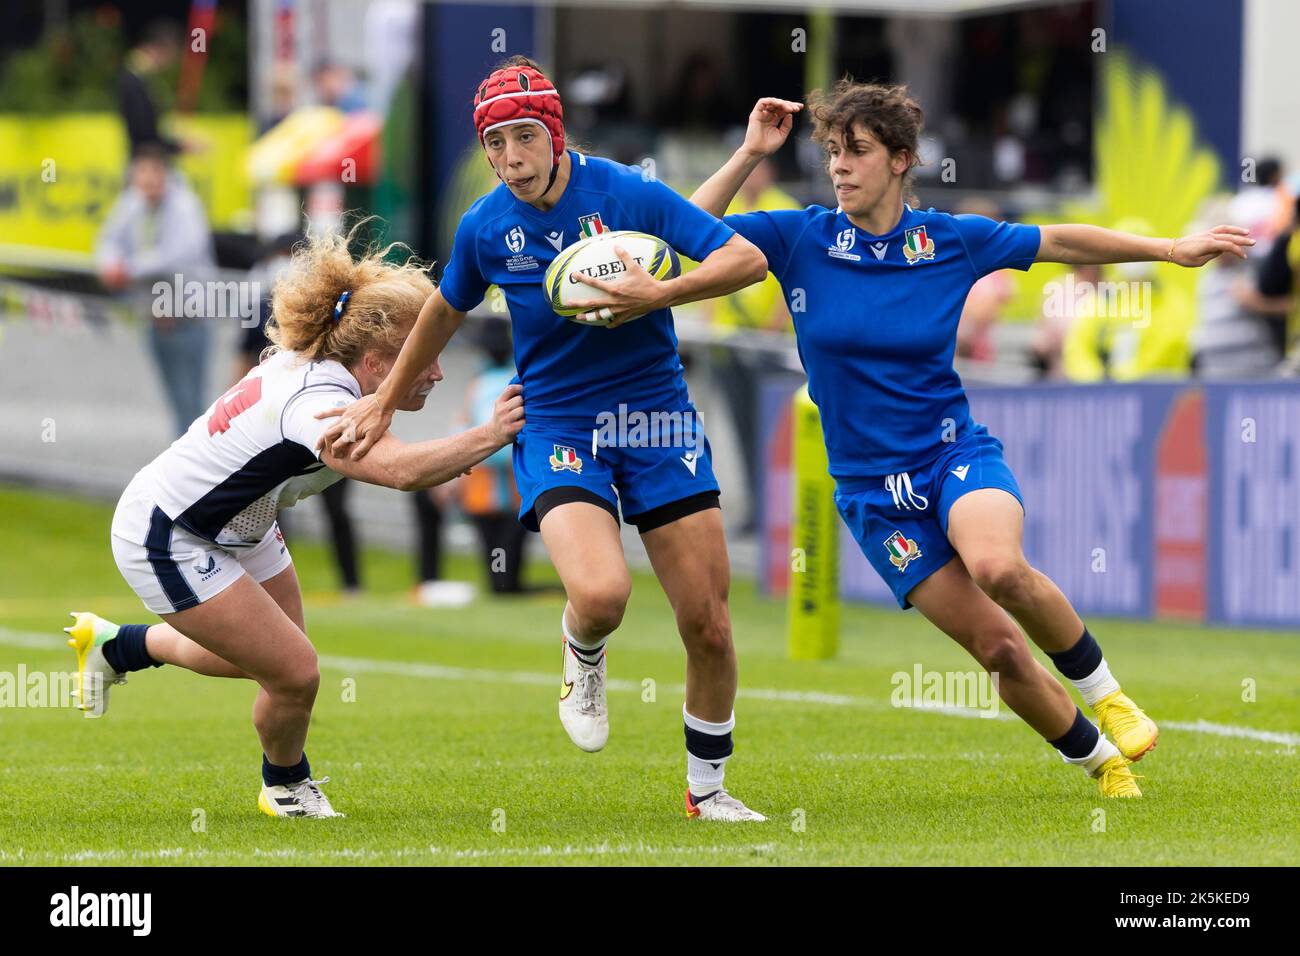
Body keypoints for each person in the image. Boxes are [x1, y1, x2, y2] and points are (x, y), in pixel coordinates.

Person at [692, 82, 1253, 797]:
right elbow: (686, 227)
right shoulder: (800, 236)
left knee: (997, 567)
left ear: (900, 160)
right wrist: (748, 153)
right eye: (832, 151)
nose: (838, 166)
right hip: (873, 495)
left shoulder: (949, 241)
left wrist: (1171, 249)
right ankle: (1097, 760)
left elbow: (1059, 241)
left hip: (951, 454)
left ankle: (1108, 691)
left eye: (856, 151)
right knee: (999, 649)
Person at [319, 57, 772, 822]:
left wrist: (656, 293)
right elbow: (443, 311)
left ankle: (708, 791)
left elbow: (744, 258)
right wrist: (387, 401)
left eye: (524, 138)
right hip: (558, 422)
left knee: (709, 621)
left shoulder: (627, 191)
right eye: (495, 145)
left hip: (657, 418)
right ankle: (582, 649)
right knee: (601, 594)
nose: (510, 160)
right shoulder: (486, 225)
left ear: (555, 134)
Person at [65, 228, 525, 818]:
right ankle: (285, 785)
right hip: (168, 534)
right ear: (377, 360)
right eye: (425, 354)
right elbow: (400, 472)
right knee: (295, 673)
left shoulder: (333, 369)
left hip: (247, 521)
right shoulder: (318, 400)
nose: (436, 372)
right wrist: (490, 435)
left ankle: (118, 646)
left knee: (269, 658)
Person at [96, 142, 216, 437]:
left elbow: (176, 256)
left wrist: (128, 270)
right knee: (177, 401)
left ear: (165, 173)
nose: (148, 179)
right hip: (154, 318)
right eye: (142, 172)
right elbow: (108, 240)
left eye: (154, 171)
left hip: (188, 319)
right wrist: (110, 264)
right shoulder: (131, 204)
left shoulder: (185, 207)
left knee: (192, 403)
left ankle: (197, 471)